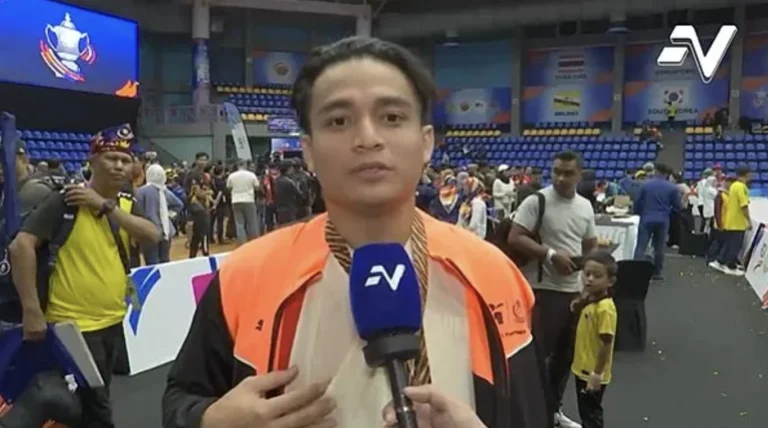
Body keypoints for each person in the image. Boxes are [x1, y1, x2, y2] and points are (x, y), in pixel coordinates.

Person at [162, 36, 547, 428]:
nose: (368, 138)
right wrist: (209, 422)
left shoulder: (492, 275)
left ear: (426, 142)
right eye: (338, 121)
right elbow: (181, 398)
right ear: (308, 150)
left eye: (391, 118)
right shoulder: (246, 276)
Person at [8, 124, 160, 428]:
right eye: (111, 158)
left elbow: (152, 235)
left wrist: (104, 207)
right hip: (74, 326)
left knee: (91, 400)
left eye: (125, 159)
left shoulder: (126, 203)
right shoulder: (67, 200)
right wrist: (31, 310)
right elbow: (21, 246)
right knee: (95, 408)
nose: (119, 165)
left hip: (112, 321)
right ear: (92, 161)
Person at [508, 150, 597, 428]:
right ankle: (528, 415)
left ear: (579, 175)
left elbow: (590, 245)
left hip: (573, 293)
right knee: (535, 359)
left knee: (564, 358)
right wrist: (550, 256)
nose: (560, 178)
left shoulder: (585, 206)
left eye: (568, 173)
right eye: (556, 171)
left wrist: (585, 271)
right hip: (542, 291)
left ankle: (553, 411)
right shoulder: (538, 201)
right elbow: (515, 237)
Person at [569, 252, 618, 428]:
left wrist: (597, 374)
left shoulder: (605, 309)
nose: (589, 279)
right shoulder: (590, 300)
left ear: (610, 281)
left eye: (597, 276)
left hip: (591, 372)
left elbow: (606, 343)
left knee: (591, 414)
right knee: (585, 411)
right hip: (582, 368)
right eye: (587, 273)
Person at [632, 163, 680, 281]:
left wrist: (638, 212)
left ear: (656, 171)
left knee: (641, 246)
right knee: (659, 248)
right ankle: (657, 272)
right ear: (667, 174)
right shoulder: (672, 188)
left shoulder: (645, 185)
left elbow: (637, 201)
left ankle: (635, 272)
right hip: (663, 219)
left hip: (646, 217)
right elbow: (678, 206)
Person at [136, 164, 184, 265]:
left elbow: (137, 210)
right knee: (165, 260)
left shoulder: (141, 191)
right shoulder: (165, 190)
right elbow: (179, 205)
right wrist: (168, 217)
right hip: (166, 230)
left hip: (149, 231)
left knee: (152, 262)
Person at [709, 166, 752, 276]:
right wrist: (748, 220)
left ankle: (721, 261)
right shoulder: (741, 187)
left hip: (730, 220)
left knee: (729, 244)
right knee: (735, 245)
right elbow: (744, 205)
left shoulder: (734, 186)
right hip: (737, 222)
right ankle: (729, 266)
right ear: (748, 174)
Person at [227, 160, 261, 244]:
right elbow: (257, 187)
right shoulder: (251, 175)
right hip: (249, 199)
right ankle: (254, 241)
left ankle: (242, 241)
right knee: (251, 221)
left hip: (235, 200)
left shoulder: (231, 176)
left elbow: (229, 187)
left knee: (239, 223)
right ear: (245, 165)